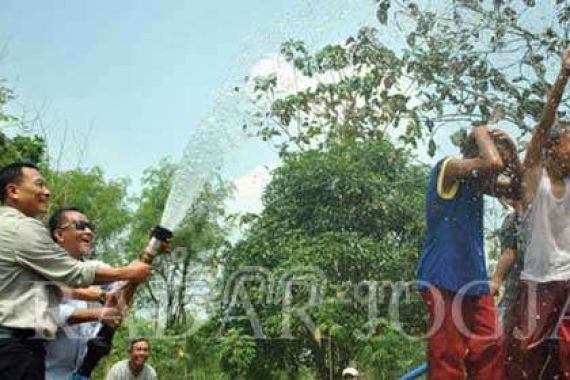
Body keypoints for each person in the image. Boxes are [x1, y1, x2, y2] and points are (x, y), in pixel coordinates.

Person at [0, 162, 152, 380]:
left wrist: (148, 253)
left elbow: (120, 295)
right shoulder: (22, 228)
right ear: (13, 190)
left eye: (91, 226)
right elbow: (74, 277)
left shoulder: (23, 248)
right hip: (20, 353)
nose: (47, 191)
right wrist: (122, 280)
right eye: (39, 185)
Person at [416, 125, 520, 379]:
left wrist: (514, 154)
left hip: (474, 283)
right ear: (477, 154)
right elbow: (493, 164)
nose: (500, 167)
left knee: (492, 348)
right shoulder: (448, 168)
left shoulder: (477, 186)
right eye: (499, 157)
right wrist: (480, 130)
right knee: (447, 359)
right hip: (443, 276)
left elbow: (520, 188)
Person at [506, 45, 570, 379]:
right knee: (526, 365)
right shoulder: (534, 178)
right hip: (538, 283)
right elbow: (542, 127)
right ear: (551, 147)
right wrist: (562, 77)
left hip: (568, 280)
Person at [45, 206, 123, 380]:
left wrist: (151, 250)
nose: (88, 231)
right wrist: (98, 313)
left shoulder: (94, 269)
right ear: (59, 235)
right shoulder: (42, 268)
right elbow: (46, 315)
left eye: (90, 226)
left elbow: (124, 286)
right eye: (80, 225)